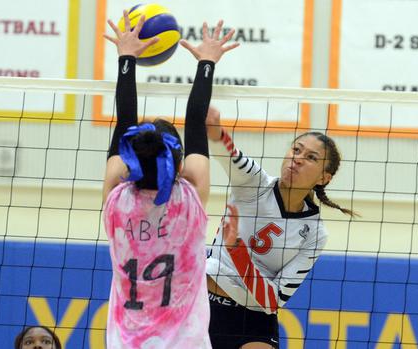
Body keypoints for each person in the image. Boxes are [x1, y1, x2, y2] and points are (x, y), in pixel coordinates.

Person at [102, 11, 238, 349]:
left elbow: (123, 121)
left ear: (128, 159)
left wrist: (126, 58)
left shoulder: (116, 202)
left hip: (126, 343)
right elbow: (197, 121)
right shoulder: (189, 199)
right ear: (179, 166)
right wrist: (207, 61)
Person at [205, 106, 356, 349]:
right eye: (296, 150)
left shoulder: (315, 235)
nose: (297, 159)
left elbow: (272, 301)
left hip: (254, 320)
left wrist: (236, 249)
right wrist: (216, 131)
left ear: (323, 178)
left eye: (311, 158)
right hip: (205, 305)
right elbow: (229, 154)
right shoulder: (253, 183)